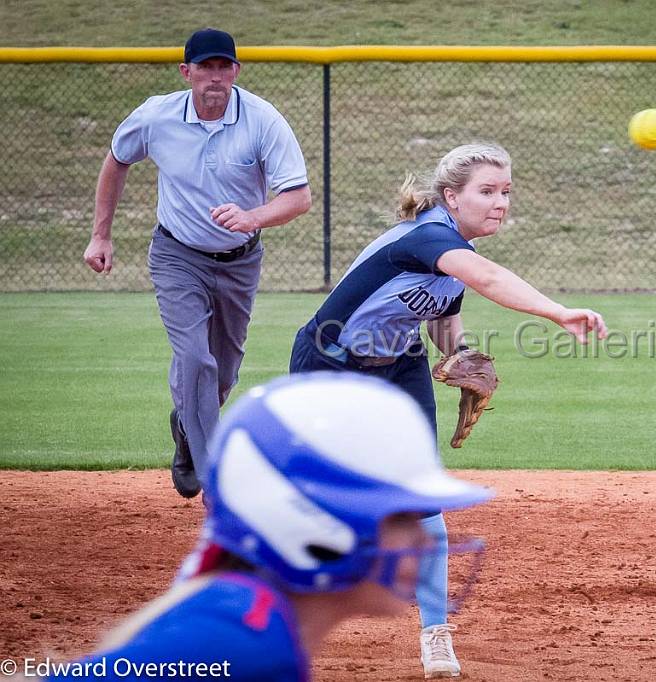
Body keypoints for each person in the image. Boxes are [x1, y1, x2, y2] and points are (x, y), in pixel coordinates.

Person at [289, 142, 607, 678]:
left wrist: (457, 353)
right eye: (486, 191)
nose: (500, 202)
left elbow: (442, 313)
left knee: (424, 493)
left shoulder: (456, 250)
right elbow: (489, 281)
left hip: (399, 365)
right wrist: (558, 312)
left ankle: (435, 635)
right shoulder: (429, 237)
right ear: (451, 196)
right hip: (331, 365)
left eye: (505, 191)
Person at [34, 373, 493, 682]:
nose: (424, 538)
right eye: (400, 517)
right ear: (308, 520)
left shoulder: (250, 620)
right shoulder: (249, 646)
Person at [82, 28, 312, 499]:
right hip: (176, 254)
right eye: (204, 67)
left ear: (236, 71)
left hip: (239, 262)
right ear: (186, 73)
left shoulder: (263, 120)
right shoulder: (156, 116)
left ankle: (187, 425)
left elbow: (298, 197)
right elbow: (116, 159)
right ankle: (214, 477)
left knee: (222, 372)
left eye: (223, 67)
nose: (215, 77)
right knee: (194, 357)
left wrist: (251, 217)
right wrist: (100, 235)